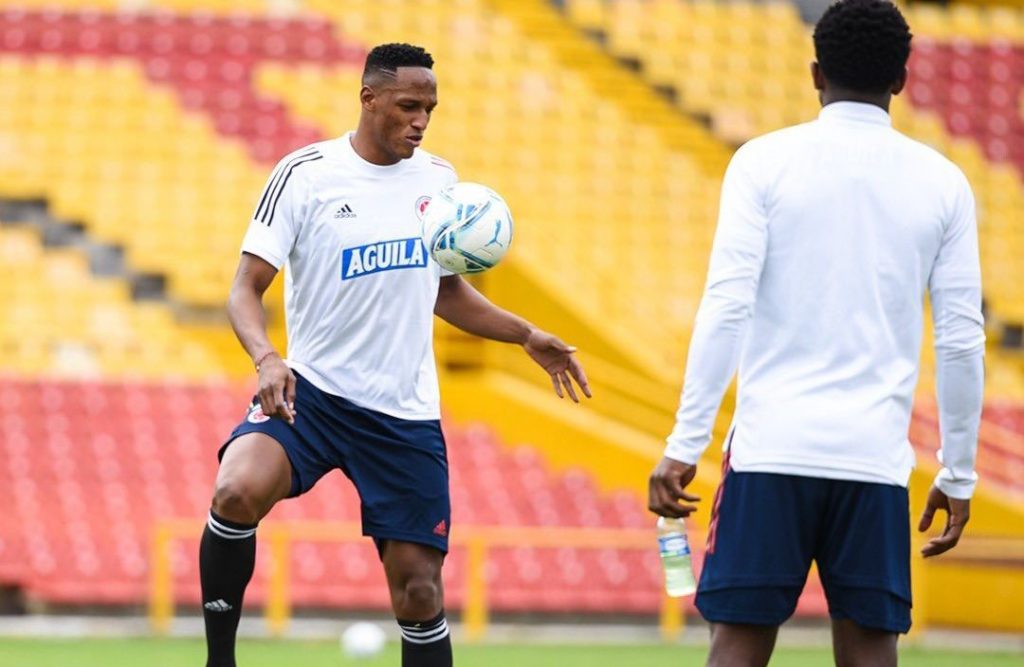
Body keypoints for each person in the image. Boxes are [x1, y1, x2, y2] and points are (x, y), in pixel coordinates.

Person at [199, 43, 591, 667]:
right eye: (409, 105)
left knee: (418, 591)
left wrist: (525, 334)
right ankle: (220, 660)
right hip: (314, 395)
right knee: (235, 491)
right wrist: (267, 358)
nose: (421, 120)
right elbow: (245, 288)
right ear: (369, 98)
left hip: (402, 416)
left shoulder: (438, 181)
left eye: (430, 108)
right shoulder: (306, 174)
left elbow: (443, 290)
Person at [647, 2, 984, 666]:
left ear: (814, 74)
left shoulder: (763, 162)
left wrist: (685, 441)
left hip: (773, 448)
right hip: (874, 458)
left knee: (738, 645)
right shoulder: (944, 182)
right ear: (902, 79)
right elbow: (960, 337)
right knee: (869, 651)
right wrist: (961, 468)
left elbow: (727, 304)